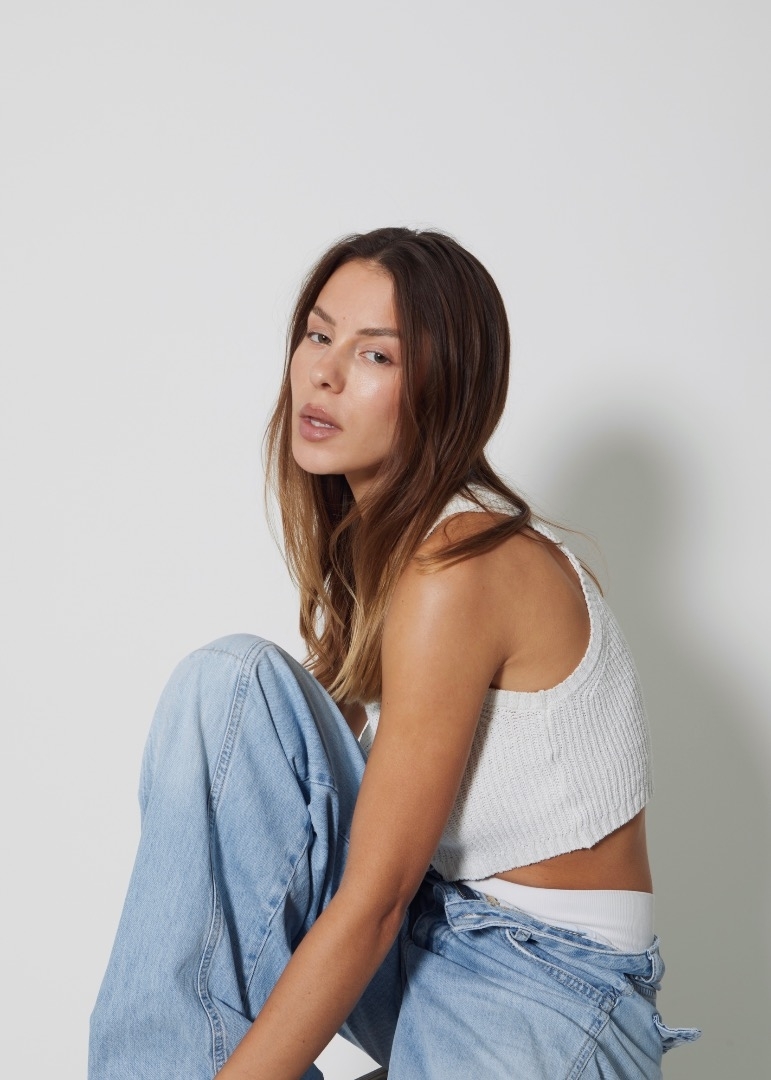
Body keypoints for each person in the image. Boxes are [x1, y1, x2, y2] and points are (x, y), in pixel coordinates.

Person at [89, 227, 700, 1079]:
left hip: (546, 991)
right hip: (435, 939)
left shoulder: (460, 564)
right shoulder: (382, 552)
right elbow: (272, 808)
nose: (325, 373)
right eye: (318, 334)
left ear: (445, 390)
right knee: (228, 691)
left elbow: (372, 901)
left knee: (237, 692)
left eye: (375, 355)